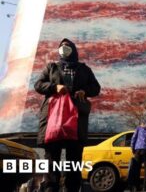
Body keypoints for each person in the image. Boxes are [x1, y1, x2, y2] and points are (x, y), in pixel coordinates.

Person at [34, 38, 101, 192]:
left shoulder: (84, 69)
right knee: (52, 159)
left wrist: (85, 91)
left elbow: (96, 88)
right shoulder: (51, 67)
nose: (64, 49)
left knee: (74, 159)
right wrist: (54, 87)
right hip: (53, 118)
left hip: (76, 119)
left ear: (74, 50)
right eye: (61, 47)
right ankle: (51, 187)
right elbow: (38, 85)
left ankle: (72, 187)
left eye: (67, 47)